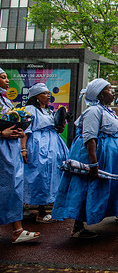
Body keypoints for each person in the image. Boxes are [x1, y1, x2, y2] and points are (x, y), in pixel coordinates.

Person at [52, 78, 118, 238]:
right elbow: (89, 138)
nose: (113, 91)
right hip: (95, 159)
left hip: (109, 159)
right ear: (101, 95)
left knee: (101, 188)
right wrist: (94, 162)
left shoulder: (107, 111)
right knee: (86, 187)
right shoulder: (93, 111)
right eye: (109, 89)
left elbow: (107, 131)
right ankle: (77, 227)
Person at [0, 68, 40, 243]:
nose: (7, 80)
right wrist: (2, 134)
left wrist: (17, 131)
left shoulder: (6, 101)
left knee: (12, 188)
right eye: (2, 77)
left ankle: (18, 230)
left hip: (9, 150)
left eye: (7, 77)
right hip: (3, 148)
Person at [21, 83, 69, 223]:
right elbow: (26, 130)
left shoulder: (48, 110)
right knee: (39, 176)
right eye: (45, 93)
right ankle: (40, 211)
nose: (48, 96)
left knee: (52, 175)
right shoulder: (29, 110)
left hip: (52, 144)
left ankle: (49, 206)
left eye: (49, 93)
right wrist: (23, 149)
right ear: (36, 96)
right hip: (38, 145)